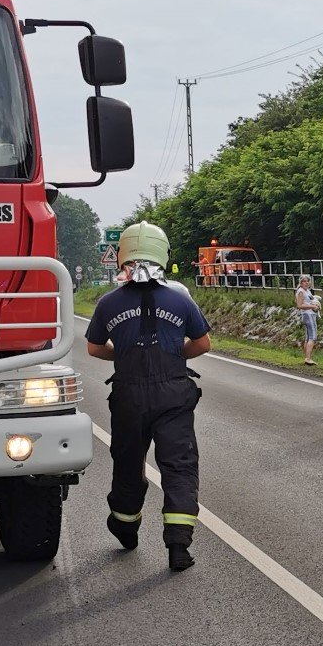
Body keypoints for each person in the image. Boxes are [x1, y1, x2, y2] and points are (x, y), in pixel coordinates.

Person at [86, 221, 211, 572]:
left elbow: (94, 348)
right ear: (163, 254)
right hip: (174, 394)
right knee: (179, 467)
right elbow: (202, 343)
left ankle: (126, 527)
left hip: (128, 396)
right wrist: (173, 356)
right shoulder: (180, 299)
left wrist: (124, 355)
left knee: (128, 462)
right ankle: (178, 547)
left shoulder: (108, 302)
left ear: (124, 256)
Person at [294, 275, 321, 366]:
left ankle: (307, 357)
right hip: (307, 314)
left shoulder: (307, 291)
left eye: (308, 281)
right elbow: (299, 305)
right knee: (312, 336)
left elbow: (310, 301)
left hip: (311, 314)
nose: (306, 283)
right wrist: (312, 306)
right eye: (304, 281)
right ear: (301, 283)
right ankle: (308, 358)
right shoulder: (301, 291)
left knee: (308, 336)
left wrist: (316, 304)